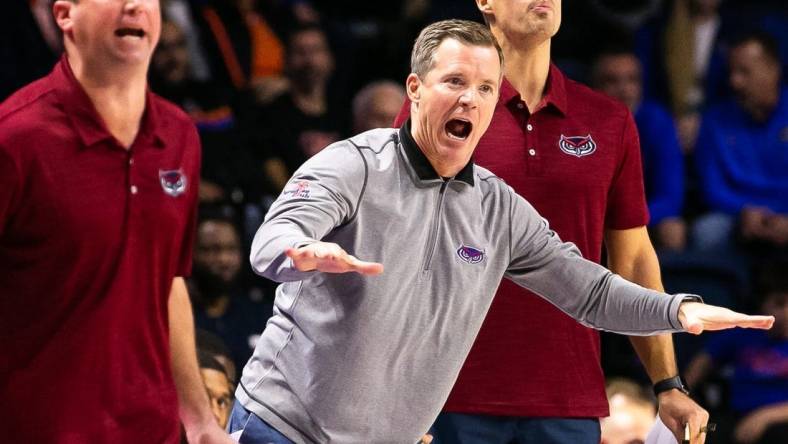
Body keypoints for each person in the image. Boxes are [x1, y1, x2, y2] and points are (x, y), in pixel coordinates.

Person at [229, 19, 772, 444]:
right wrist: (301, 251)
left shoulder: (499, 208)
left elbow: (590, 290)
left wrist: (677, 310)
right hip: (281, 427)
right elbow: (274, 237)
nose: (471, 99)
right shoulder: (354, 165)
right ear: (415, 89)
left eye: (486, 88)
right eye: (455, 82)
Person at [394, 2, 708, 443]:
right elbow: (398, 252)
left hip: (568, 399)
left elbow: (634, 261)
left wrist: (668, 384)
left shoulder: (609, 120)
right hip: (447, 396)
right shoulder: (442, 107)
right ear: (485, 2)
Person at [0, 1, 232, 442]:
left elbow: (168, 282)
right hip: (37, 426)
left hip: (149, 426)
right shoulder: (15, 138)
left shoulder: (180, 135)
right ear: (65, 14)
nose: (134, 6)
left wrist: (200, 420)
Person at [692, 31, 788, 252]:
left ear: (773, 70)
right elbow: (712, 188)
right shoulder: (714, 120)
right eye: (732, 72)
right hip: (737, 215)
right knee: (706, 232)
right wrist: (744, 212)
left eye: (744, 72)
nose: (734, 82)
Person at [591, 49, 686, 251]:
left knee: (672, 230)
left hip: (642, 219)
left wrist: (625, 221)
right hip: (594, 221)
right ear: (595, 87)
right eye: (612, 81)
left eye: (632, 80)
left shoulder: (657, 122)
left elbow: (670, 196)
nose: (625, 91)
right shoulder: (578, 126)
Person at [684, 260, 788, 444]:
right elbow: (700, 365)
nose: (786, 313)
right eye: (779, 304)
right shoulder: (741, 334)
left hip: (779, 419)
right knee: (697, 431)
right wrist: (680, 397)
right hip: (733, 418)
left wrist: (765, 417)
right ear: (761, 304)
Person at [190, 212, 274, 371]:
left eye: (231, 249)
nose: (224, 259)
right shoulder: (177, 315)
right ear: (192, 253)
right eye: (213, 250)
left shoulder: (261, 315)